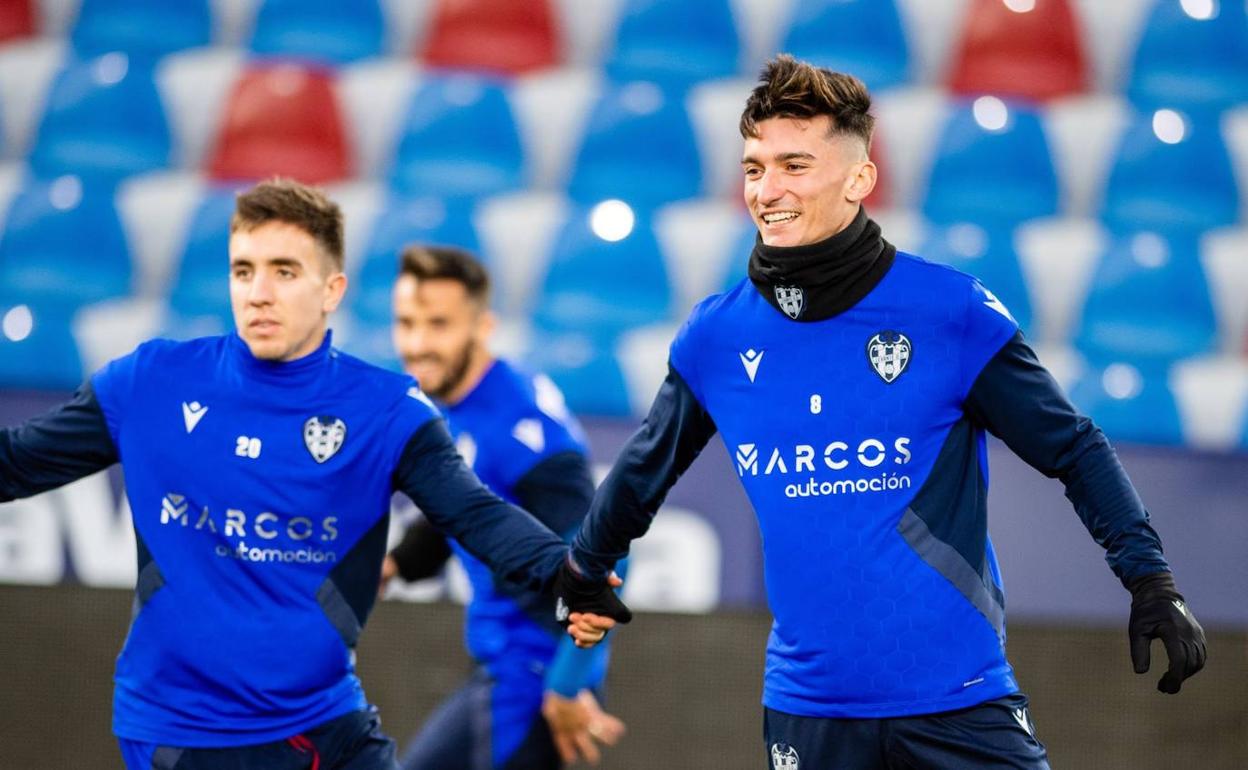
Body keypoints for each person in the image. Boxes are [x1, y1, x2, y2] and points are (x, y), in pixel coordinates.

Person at [561, 55, 1207, 769]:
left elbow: (1075, 449)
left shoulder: (950, 312)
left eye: (794, 166)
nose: (766, 191)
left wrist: (1151, 582)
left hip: (960, 704)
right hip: (807, 717)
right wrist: (585, 571)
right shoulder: (717, 335)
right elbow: (645, 468)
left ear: (860, 179)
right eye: (754, 168)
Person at [0, 179, 618, 770]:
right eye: (244, 270)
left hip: (327, 722)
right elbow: (15, 462)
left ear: (331, 289)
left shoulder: (390, 411)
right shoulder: (149, 383)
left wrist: (571, 575)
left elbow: (475, 514)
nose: (257, 292)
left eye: (284, 271)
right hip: (188, 735)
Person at [379, 245, 626, 769]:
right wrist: (396, 563)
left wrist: (565, 687)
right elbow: (463, 507)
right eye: (406, 323)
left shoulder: (523, 429)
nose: (418, 344)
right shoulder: (458, 408)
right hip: (499, 673)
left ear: (481, 326)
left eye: (439, 325)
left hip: (535, 680)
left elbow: (605, 560)